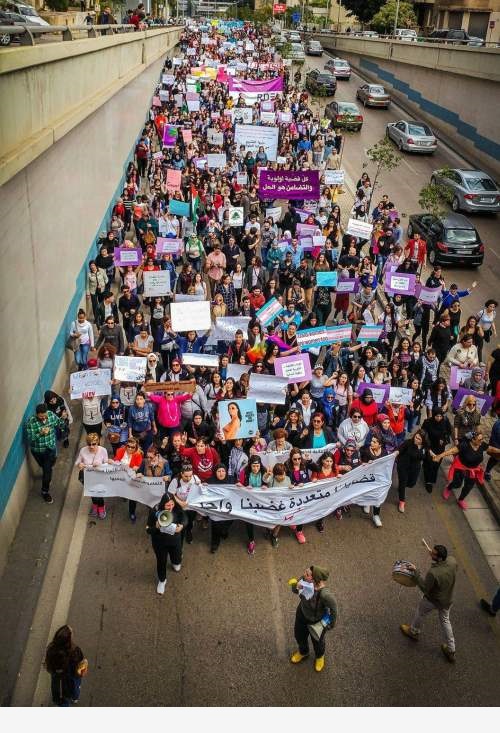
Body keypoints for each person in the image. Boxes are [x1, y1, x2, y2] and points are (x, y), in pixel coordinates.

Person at [400, 544, 457, 664]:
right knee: (445, 621)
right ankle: (451, 649)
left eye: (434, 553)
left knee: (420, 612)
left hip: (433, 600)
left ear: (440, 558)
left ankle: (414, 632)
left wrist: (416, 572)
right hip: (447, 599)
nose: (431, 553)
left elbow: (425, 588)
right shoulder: (452, 561)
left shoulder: (433, 572)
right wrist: (435, 555)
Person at [289, 566, 338, 673]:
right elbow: (295, 591)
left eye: (307, 574)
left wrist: (331, 624)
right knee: (299, 636)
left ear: (315, 580)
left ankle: (319, 657)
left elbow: (334, 608)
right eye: (305, 572)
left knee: (318, 642)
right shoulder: (304, 580)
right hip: (302, 614)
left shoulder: (325, 594)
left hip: (316, 621)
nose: (303, 575)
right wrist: (295, 586)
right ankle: (303, 652)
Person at [146, 492, 186, 595]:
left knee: (177, 557)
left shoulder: (177, 508)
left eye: (172, 504)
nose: (170, 507)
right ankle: (162, 580)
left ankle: (175, 562)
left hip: (175, 541)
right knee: (161, 561)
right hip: (160, 543)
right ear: (163, 504)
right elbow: (148, 529)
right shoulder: (155, 511)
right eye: (168, 505)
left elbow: (185, 518)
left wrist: (182, 526)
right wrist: (156, 527)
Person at [26, 403, 66, 504]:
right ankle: (46, 472)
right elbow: (30, 439)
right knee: (44, 466)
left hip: (50, 448)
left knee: (47, 471)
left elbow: (60, 423)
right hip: (38, 451)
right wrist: (40, 433)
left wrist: (63, 418)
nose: (43, 418)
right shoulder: (31, 422)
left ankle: (45, 491)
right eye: (41, 416)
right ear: (37, 414)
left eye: (45, 416)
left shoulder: (51, 415)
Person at [45, 625, 86, 706]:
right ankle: (74, 698)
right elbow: (81, 664)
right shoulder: (75, 652)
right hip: (71, 676)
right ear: (68, 639)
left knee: (60, 694)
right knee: (74, 688)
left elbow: (48, 664)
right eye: (71, 633)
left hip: (57, 676)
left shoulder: (51, 649)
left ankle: (62, 702)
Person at [75, 432, 109, 519]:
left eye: (94, 444)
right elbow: (77, 462)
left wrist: (99, 465)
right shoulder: (83, 450)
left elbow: (107, 464)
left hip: (99, 477)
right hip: (87, 477)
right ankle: (95, 505)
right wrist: (80, 464)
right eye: (89, 444)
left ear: (98, 443)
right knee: (92, 493)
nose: (91, 446)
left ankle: (101, 507)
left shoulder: (103, 450)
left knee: (98, 494)